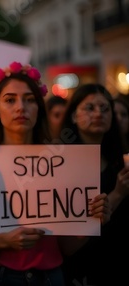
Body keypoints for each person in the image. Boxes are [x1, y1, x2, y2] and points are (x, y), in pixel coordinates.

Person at [0, 62, 110, 286]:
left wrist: (92, 220)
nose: (21, 107)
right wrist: (5, 240)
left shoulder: (61, 164)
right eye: (10, 100)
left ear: (39, 109)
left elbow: (67, 247)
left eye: (30, 100)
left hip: (52, 277)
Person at [60, 83, 129, 286]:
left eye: (105, 108)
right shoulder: (61, 164)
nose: (98, 113)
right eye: (89, 108)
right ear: (73, 116)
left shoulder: (120, 161)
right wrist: (117, 194)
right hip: (81, 266)